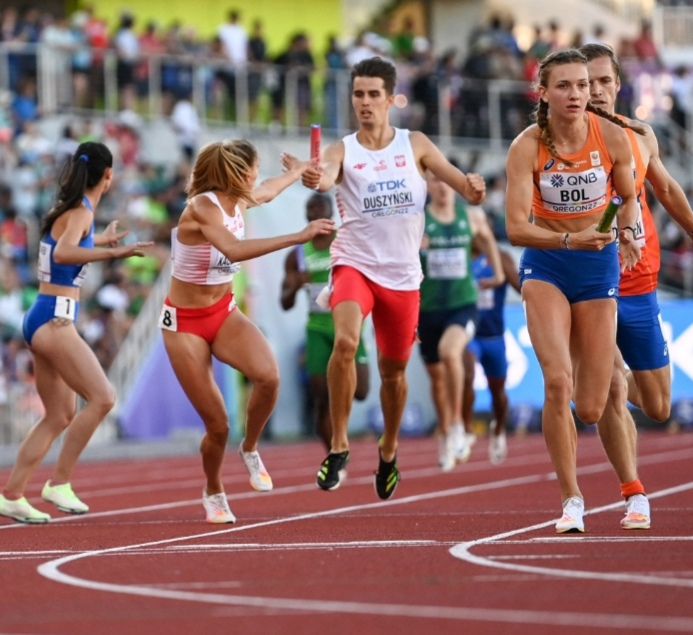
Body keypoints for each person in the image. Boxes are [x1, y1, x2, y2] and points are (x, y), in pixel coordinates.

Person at [301, 57, 485, 500]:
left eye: (373, 95)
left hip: (402, 276)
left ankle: (388, 449)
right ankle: (340, 444)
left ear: (390, 99)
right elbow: (324, 177)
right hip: (354, 264)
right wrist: (316, 178)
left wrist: (474, 186)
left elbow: (464, 187)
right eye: (358, 95)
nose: (365, 103)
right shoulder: (341, 149)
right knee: (345, 342)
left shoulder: (415, 144)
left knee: (394, 374)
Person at [580, 42, 693, 530]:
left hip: (641, 282)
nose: (594, 91)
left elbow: (664, 187)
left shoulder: (640, 134)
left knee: (659, 405)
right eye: (585, 83)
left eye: (602, 82)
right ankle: (633, 492)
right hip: (591, 283)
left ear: (618, 86)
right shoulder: (560, 141)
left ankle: (604, 379)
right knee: (612, 388)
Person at [503, 48, 641, 533]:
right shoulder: (527, 147)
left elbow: (628, 197)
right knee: (557, 382)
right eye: (564, 86)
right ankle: (571, 500)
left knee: (592, 403)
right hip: (548, 264)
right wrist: (568, 238)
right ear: (543, 94)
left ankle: (632, 489)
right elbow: (516, 228)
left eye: (583, 85)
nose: (577, 94)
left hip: (596, 267)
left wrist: (627, 235)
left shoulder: (614, 138)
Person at [160, 139, 334, 524]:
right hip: (184, 324)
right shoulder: (202, 207)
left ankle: (250, 448)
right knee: (218, 424)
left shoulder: (238, 198)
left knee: (269, 377)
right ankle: (213, 489)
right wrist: (297, 236)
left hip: (222, 313)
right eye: (254, 167)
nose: (257, 174)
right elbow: (234, 250)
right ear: (238, 173)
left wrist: (295, 171)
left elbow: (268, 190)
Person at [0, 142, 151, 524]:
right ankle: (59, 482)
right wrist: (114, 254)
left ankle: (13, 494)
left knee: (60, 414)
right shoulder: (81, 212)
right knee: (102, 397)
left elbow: (65, 242)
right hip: (55, 319)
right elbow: (64, 254)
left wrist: (101, 240)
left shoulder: (72, 210)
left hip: (43, 316)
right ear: (108, 175)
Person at [419, 169, 504, 471]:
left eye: (446, 181)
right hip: (427, 308)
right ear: (426, 184)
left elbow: (489, 239)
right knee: (436, 378)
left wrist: (498, 273)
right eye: (434, 181)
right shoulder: (418, 221)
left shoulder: (471, 217)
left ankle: (457, 425)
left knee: (450, 352)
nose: (441, 187)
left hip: (463, 304)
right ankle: (445, 432)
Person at [280, 193, 370, 451]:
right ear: (306, 214)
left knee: (361, 391)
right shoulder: (297, 254)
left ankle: (338, 431)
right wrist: (294, 287)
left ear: (331, 212)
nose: (316, 211)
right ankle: (334, 453)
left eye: (320, 206)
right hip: (317, 330)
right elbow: (284, 304)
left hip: (350, 327)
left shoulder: (346, 244)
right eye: (310, 208)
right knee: (322, 397)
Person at [461, 243, 521, 465]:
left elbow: (520, 287)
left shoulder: (500, 257)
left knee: (498, 392)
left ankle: (498, 430)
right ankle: (466, 429)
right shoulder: (459, 255)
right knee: (466, 375)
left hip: (494, 336)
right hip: (468, 333)